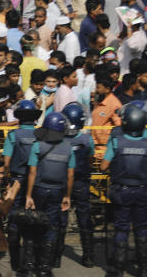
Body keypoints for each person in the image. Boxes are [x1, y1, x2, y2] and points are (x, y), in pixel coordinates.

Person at [24, 111, 75, 277]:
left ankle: (29, 265)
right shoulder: (68, 149)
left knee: (32, 224)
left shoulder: (38, 146)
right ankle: (45, 268)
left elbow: (32, 172)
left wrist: (29, 195)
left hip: (38, 189)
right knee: (51, 226)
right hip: (57, 192)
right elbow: (70, 175)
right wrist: (67, 196)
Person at [1, 99, 41, 272]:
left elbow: (6, 162)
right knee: (33, 218)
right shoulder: (41, 135)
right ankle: (30, 262)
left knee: (14, 218)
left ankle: (15, 261)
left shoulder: (13, 135)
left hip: (16, 180)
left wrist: (6, 183)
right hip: (36, 181)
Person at [60, 102, 96, 267]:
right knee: (84, 219)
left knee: (60, 218)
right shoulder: (87, 139)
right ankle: (88, 256)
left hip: (62, 182)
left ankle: (55, 256)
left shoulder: (59, 139)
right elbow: (90, 158)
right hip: (81, 182)